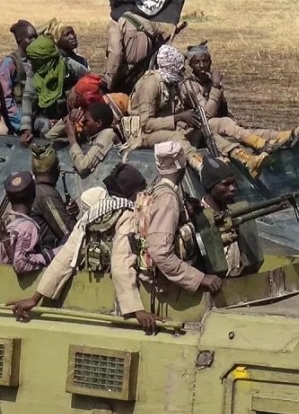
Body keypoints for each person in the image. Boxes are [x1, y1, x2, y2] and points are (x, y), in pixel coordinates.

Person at [8, 164, 161, 334]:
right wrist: (137, 309)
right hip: (113, 300)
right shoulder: (127, 215)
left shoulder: (92, 214)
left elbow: (65, 256)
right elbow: (121, 263)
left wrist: (35, 298)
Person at [128, 45, 268, 176]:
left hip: (167, 128)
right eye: (180, 69)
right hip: (142, 135)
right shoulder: (151, 85)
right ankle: (202, 166)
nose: (183, 72)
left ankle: (242, 157)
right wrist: (178, 118)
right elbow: (146, 124)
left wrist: (187, 120)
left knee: (206, 128)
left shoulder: (169, 83)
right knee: (176, 138)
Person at [183, 42, 299, 151]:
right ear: (191, 66)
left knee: (246, 130)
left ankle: (289, 135)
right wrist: (216, 87)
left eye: (205, 61)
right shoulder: (189, 85)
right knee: (227, 123)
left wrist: (233, 117)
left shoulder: (211, 80)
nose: (201, 65)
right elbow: (206, 115)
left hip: (216, 126)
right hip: (199, 129)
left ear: (210, 62)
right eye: (197, 62)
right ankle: (262, 145)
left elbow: (223, 109)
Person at [133, 141, 222, 295]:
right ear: (183, 164)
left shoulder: (158, 190)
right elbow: (160, 252)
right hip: (169, 288)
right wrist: (200, 278)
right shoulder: (167, 198)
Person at [20, 35, 84, 143]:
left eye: (37, 61)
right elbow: (28, 99)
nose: (33, 65)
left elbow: (90, 80)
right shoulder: (34, 72)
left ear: (47, 59)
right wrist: (26, 129)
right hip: (45, 119)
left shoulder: (67, 65)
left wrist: (75, 89)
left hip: (70, 116)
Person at [104, 0, 166, 93]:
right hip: (148, 76)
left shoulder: (117, 22)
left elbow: (116, 53)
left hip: (126, 77)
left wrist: (109, 81)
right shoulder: (150, 19)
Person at [0, 171, 55, 275]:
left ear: (8, 197)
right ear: (33, 195)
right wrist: (51, 255)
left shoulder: (6, 220)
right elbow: (21, 264)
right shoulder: (27, 227)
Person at [199, 156, 244, 276]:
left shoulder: (232, 210)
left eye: (233, 183)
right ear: (210, 186)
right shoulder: (199, 218)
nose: (233, 188)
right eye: (226, 184)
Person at [30, 143, 76, 248]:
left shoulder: (32, 188)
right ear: (56, 169)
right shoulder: (47, 195)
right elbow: (69, 233)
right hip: (47, 256)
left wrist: (68, 211)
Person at [65, 101, 121, 178]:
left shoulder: (107, 134)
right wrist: (70, 117)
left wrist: (72, 138)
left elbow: (83, 167)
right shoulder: (92, 135)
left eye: (86, 121)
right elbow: (50, 135)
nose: (82, 123)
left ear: (98, 123)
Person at [0, 20, 37, 135]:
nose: (34, 41)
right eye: (30, 38)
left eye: (36, 37)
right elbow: (6, 100)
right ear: (20, 40)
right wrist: (22, 124)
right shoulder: (10, 63)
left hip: (35, 114)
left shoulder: (35, 60)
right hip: (18, 120)